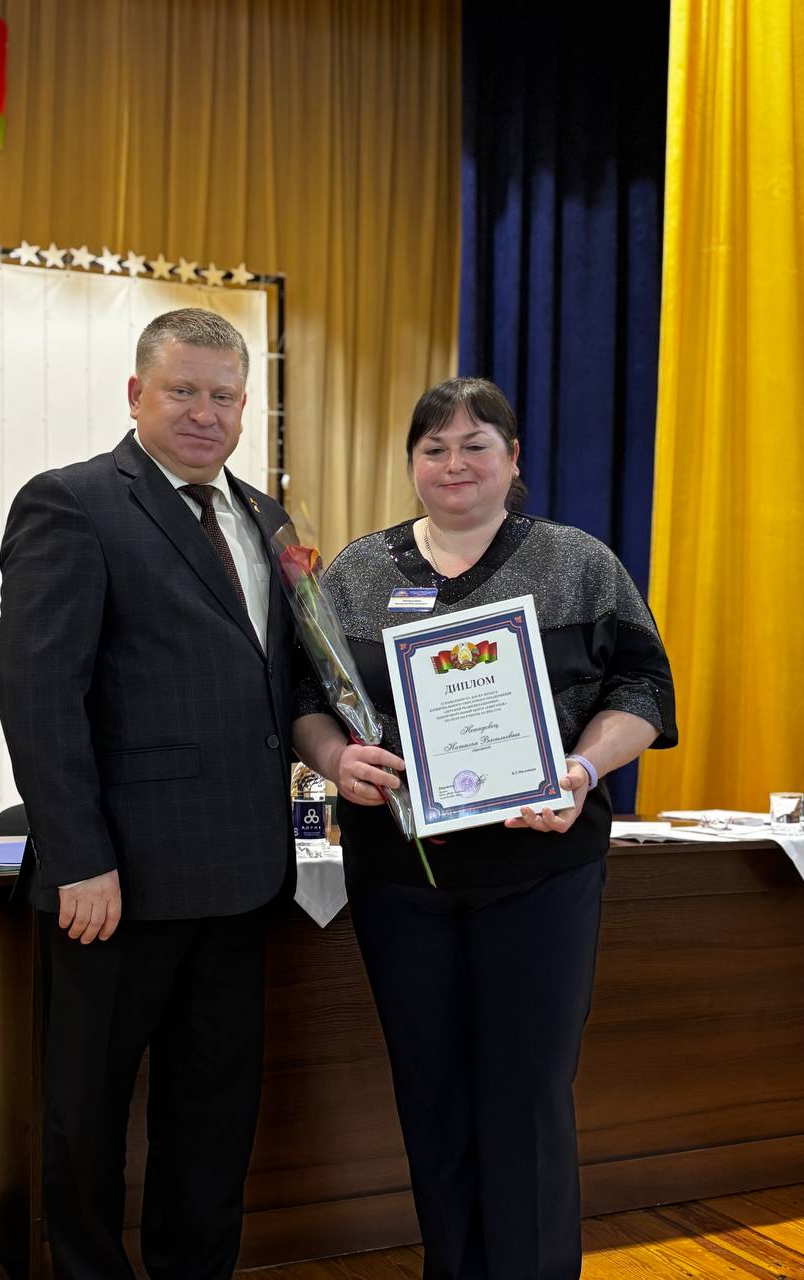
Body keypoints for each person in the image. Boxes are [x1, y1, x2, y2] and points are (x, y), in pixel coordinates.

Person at [293, 377, 677, 1280]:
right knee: (430, 1092)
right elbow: (308, 697)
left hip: (540, 870)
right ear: (411, 463)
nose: (455, 463)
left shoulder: (578, 562)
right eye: (434, 447)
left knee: (527, 1093)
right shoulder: (357, 571)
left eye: (476, 445)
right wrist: (334, 760)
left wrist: (583, 769)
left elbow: (645, 689)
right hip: (401, 879)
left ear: (513, 459)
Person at [0, 309, 296, 1280]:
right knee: (86, 1120)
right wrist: (79, 856)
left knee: (214, 1120)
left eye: (224, 396)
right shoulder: (73, 502)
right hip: (115, 888)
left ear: (245, 407)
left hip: (244, 881)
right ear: (137, 394)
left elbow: (287, 682)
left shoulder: (268, 520)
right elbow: (39, 691)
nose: (206, 413)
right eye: (183, 391)